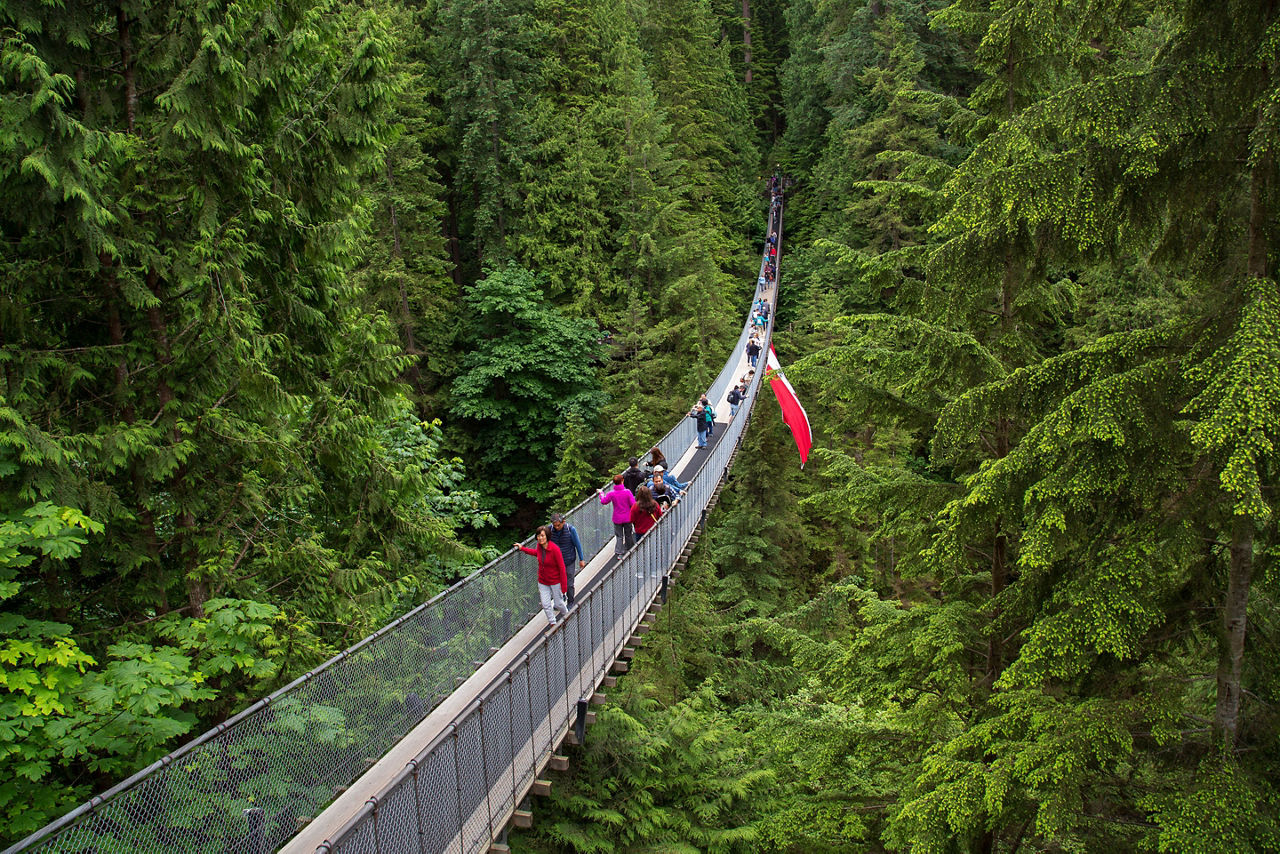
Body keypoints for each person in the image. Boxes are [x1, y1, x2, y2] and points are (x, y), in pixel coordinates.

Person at [513, 526, 569, 627]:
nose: (540, 538)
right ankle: (553, 623)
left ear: (547, 536)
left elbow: (562, 568)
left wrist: (564, 587)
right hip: (543, 581)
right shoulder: (539, 547)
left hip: (555, 581)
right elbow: (536, 553)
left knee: (559, 603)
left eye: (542, 535)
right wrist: (522, 548)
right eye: (538, 536)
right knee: (545, 604)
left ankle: (567, 615)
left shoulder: (555, 549)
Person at [547, 512, 586, 606]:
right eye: (554, 525)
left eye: (558, 525)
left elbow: (577, 544)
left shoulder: (571, 529)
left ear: (563, 522)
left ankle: (571, 602)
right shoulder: (549, 529)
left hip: (569, 560)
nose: (556, 527)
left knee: (569, 583)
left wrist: (581, 559)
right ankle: (560, 599)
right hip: (556, 562)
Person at [598, 474, 636, 557]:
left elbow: (604, 501)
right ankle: (630, 549)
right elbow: (633, 504)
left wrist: (601, 493)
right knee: (628, 534)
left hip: (617, 518)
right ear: (622, 481)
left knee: (619, 536)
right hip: (627, 517)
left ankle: (619, 552)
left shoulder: (611, 493)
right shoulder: (627, 492)